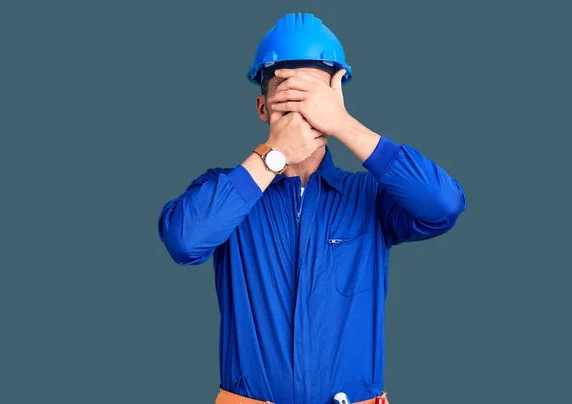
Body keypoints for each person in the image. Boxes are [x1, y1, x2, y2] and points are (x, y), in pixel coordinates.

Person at [158, 12, 466, 404]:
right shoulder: (227, 193)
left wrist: (344, 124)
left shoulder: (369, 195)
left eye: (315, 99)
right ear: (261, 108)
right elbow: (184, 241)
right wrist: (273, 157)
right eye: (289, 97)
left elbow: (444, 205)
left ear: (337, 102)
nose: (304, 113)